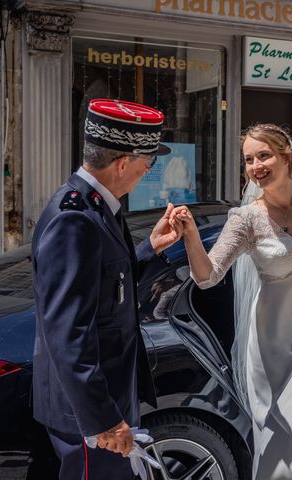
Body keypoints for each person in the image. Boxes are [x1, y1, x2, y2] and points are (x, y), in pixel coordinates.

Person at [176, 123, 292, 479]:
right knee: (278, 436)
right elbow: (207, 276)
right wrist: (191, 237)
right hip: (271, 342)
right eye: (248, 160)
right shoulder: (245, 219)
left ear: (286, 156)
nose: (256, 165)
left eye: (264, 155)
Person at [31, 98, 184, 480]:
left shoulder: (96, 207)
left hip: (106, 401)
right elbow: (68, 333)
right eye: (146, 162)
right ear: (121, 163)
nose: (147, 170)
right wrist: (102, 419)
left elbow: (108, 290)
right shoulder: (75, 217)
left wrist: (151, 247)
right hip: (92, 413)